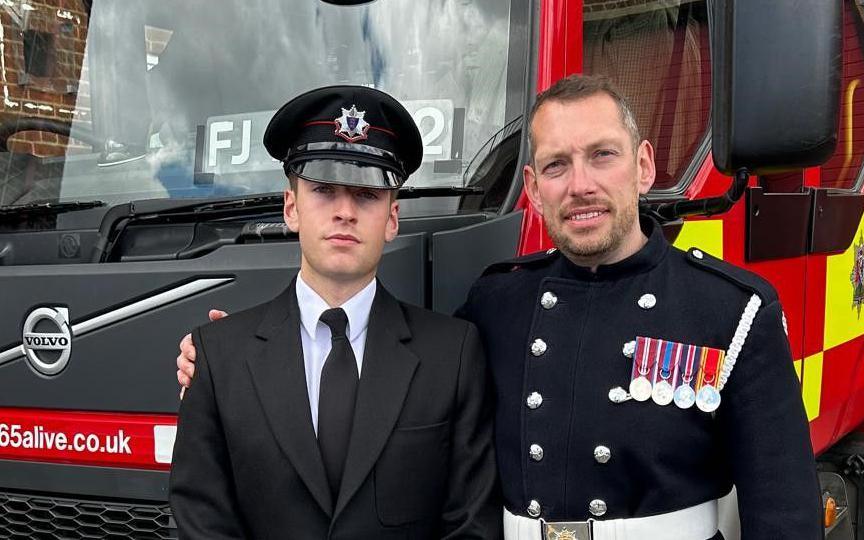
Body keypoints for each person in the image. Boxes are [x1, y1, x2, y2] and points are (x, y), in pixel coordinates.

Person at [177, 75, 821, 539]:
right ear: (534, 190)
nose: (582, 185)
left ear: (644, 165)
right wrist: (241, 365)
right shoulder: (498, 303)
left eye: (602, 155)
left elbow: (784, 516)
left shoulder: (728, 310)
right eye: (557, 166)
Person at [168, 85, 500, 540]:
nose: (345, 211)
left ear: (392, 218)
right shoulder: (218, 357)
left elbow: (471, 526)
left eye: (367, 194)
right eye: (324, 189)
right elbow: (201, 521)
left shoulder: (453, 355)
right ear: (292, 208)